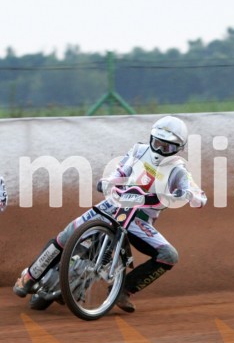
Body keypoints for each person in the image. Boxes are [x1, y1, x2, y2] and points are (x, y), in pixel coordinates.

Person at [13, 115, 207, 312]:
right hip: (113, 205)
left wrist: (191, 195)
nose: (160, 150)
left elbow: (198, 193)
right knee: (67, 234)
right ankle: (30, 275)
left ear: (178, 149)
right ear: (151, 138)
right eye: (157, 143)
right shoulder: (139, 150)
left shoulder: (178, 169)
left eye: (167, 147)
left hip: (140, 221)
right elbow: (121, 171)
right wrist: (108, 181)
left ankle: (123, 290)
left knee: (169, 255)